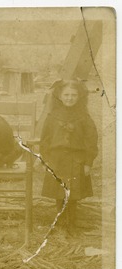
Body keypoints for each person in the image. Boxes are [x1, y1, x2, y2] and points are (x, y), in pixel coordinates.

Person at [40, 79, 98, 236]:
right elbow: (45, 139)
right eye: (66, 94)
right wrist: (46, 160)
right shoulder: (52, 116)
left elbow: (91, 140)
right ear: (59, 95)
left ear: (79, 97)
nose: (69, 98)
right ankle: (59, 221)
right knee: (59, 193)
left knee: (73, 194)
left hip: (76, 160)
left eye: (74, 95)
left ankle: (72, 223)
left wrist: (88, 163)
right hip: (56, 160)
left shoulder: (84, 116)